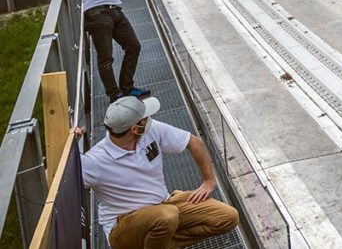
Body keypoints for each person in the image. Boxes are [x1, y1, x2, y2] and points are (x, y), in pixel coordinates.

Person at [77, 95, 239, 248]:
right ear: (136, 128)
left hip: (164, 205)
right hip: (124, 224)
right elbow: (55, 179)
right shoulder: (96, 161)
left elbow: (193, 142)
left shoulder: (151, 129)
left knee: (227, 217)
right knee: (167, 216)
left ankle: (163, 244)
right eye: (145, 119)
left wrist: (209, 181)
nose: (150, 120)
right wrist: (69, 147)